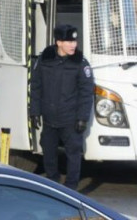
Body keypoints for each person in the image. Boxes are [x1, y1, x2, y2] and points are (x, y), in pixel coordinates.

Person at [29, 24, 94, 190]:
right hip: (49, 118)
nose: (73, 45)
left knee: (73, 153)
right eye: (69, 41)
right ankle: (53, 181)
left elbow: (86, 93)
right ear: (58, 42)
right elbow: (35, 86)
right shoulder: (46, 58)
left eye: (74, 41)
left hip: (70, 119)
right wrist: (34, 111)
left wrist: (82, 118)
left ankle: (71, 187)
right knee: (48, 151)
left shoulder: (80, 62)